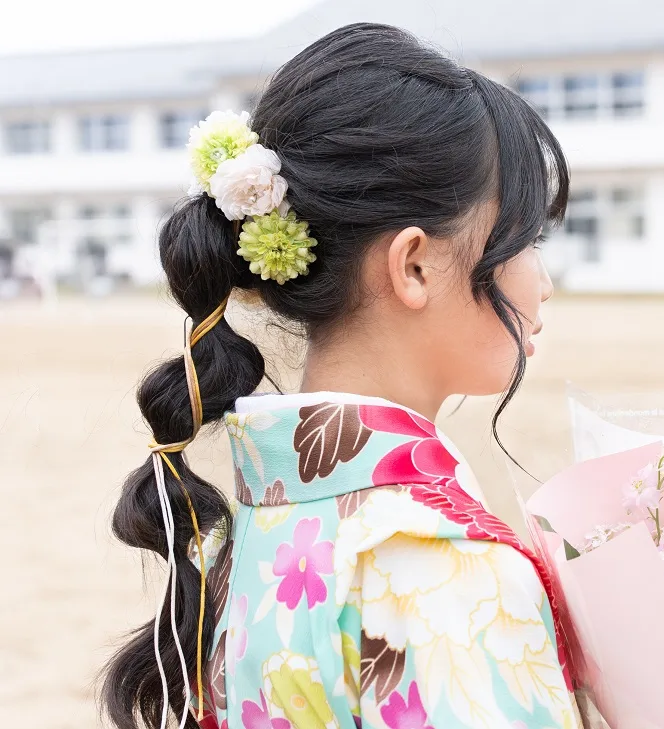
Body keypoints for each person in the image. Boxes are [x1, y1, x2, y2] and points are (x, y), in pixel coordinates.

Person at [102, 22, 574, 729]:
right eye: (525, 239)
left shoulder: (248, 532)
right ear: (414, 264)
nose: (543, 281)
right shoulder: (444, 570)